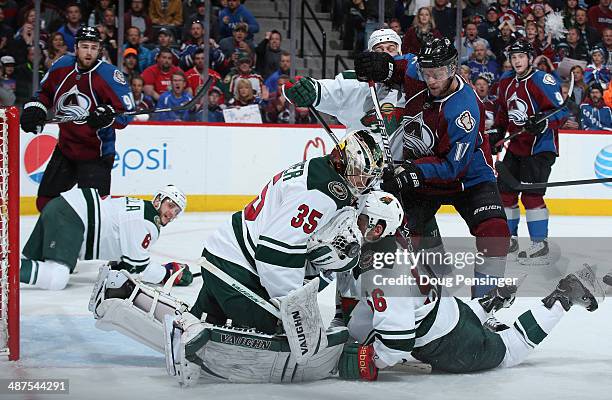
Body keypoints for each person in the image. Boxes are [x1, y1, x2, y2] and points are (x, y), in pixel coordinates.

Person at [89, 129, 384, 383]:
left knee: (199, 317)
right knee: (279, 332)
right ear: (344, 160)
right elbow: (275, 254)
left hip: (226, 253)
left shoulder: (321, 168)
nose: (363, 181)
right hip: (240, 268)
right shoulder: (323, 194)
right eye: (361, 172)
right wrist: (293, 306)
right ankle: (186, 336)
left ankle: (122, 291)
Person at [353, 37, 510, 297]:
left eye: (439, 73)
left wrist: (412, 174)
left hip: (468, 176)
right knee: (399, 231)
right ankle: (426, 291)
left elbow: (452, 167)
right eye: (428, 74)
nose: (433, 80)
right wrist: (383, 65)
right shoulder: (419, 70)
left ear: (453, 69)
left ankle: (484, 302)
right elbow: (402, 66)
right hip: (423, 170)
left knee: (495, 232)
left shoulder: (463, 109)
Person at [283, 28, 445, 265]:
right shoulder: (355, 83)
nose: (385, 54)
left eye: (391, 49)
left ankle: (437, 286)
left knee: (425, 238)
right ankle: (352, 297)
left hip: (407, 176)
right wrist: (303, 89)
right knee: (358, 244)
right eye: (378, 50)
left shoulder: (415, 82)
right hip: (363, 181)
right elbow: (322, 91)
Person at [338, 257, 605, 379]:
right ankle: (490, 301)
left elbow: (397, 345)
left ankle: (563, 296)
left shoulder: (373, 281)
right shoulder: (394, 250)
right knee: (437, 312)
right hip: (453, 310)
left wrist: (371, 359)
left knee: (510, 349)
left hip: (451, 345)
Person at [19, 26, 134, 212]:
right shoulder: (62, 65)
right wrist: (35, 108)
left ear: (100, 49)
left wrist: (108, 115)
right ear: (76, 47)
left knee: (94, 212)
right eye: (85, 46)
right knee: (45, 202)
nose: (89, 52)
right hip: (66, 149)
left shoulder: (110, 75)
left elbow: (126, 115)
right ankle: (57, 239)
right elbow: (44, 93)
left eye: (94, 47)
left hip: (96, 154)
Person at [20, 184, 192, 291]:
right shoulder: (146, 221)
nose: (171, 213)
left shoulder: (141, 208)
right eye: (170, 205)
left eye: (176, 211)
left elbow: (123, 263)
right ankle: (5, 269)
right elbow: (137, 268)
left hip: (63, 206)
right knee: (56, 277)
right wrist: (169, 273)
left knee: (29, 261)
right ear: (158, 200)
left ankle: (8, 265)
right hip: (73, 216)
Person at [491, 39, 568, 265]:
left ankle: (540, 245)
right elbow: (503, 113)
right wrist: (498, 130)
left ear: (529, 58)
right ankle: (510, 239)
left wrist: (544, 123)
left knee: (532, 196)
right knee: (505, 194)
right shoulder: (505, 81)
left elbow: (562, 112)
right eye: (513, 58)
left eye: (521, 57)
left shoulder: (542, 80)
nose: (517, 61)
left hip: (540, 148)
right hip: (516, 147)